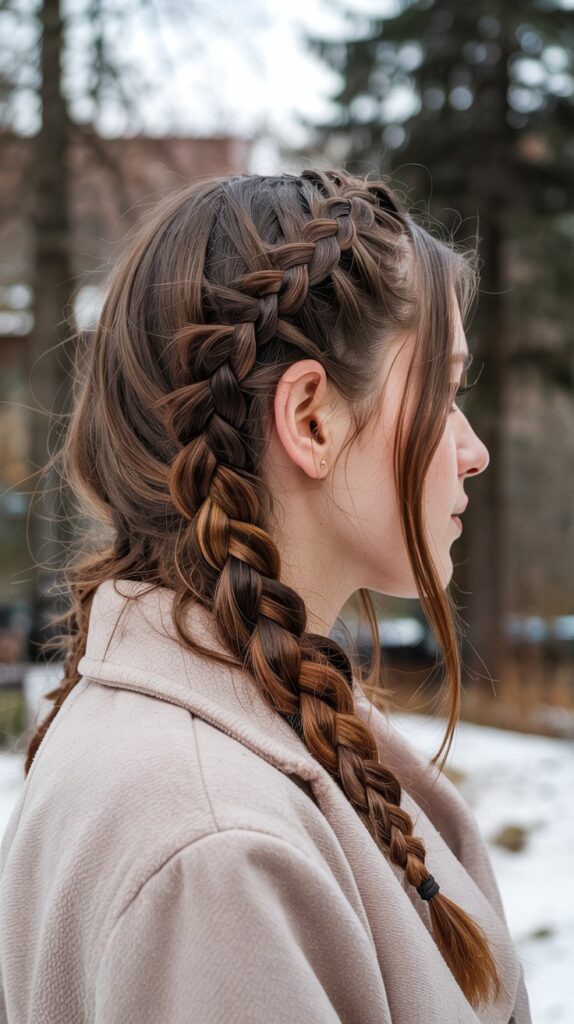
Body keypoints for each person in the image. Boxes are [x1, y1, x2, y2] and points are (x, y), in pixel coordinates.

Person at [0, 169, 532, 1023]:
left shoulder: (232, 738)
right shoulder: (216, 857)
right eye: (444, 391)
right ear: (312, 419)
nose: (472, 451)